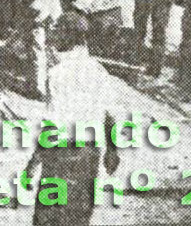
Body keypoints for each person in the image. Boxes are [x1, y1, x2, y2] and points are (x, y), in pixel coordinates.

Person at [27, 12, 120, 226]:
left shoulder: (58, 74)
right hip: (89, 155)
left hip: (61, 154)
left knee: (48, 218)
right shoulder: (99, 71)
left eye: (58, 30)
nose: (54, 35)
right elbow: (110, 116)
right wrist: (112, 151)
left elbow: (52, 124)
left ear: (69, 36)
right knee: (78, 217)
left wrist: (33, 163)